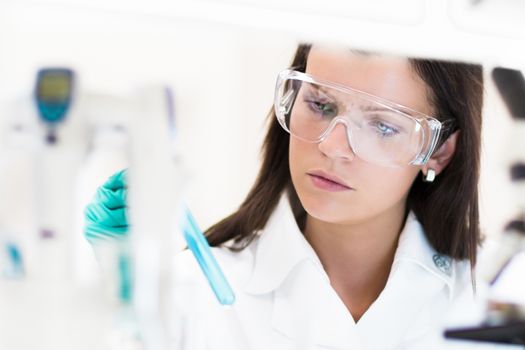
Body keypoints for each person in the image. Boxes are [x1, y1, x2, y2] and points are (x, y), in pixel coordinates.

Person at [85, 44, 511, 349]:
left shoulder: (493, 300)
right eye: (321, 105)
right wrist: (116, 283)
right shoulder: (189, 293)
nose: (332, 146)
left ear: (437, 151)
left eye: (383, 126)